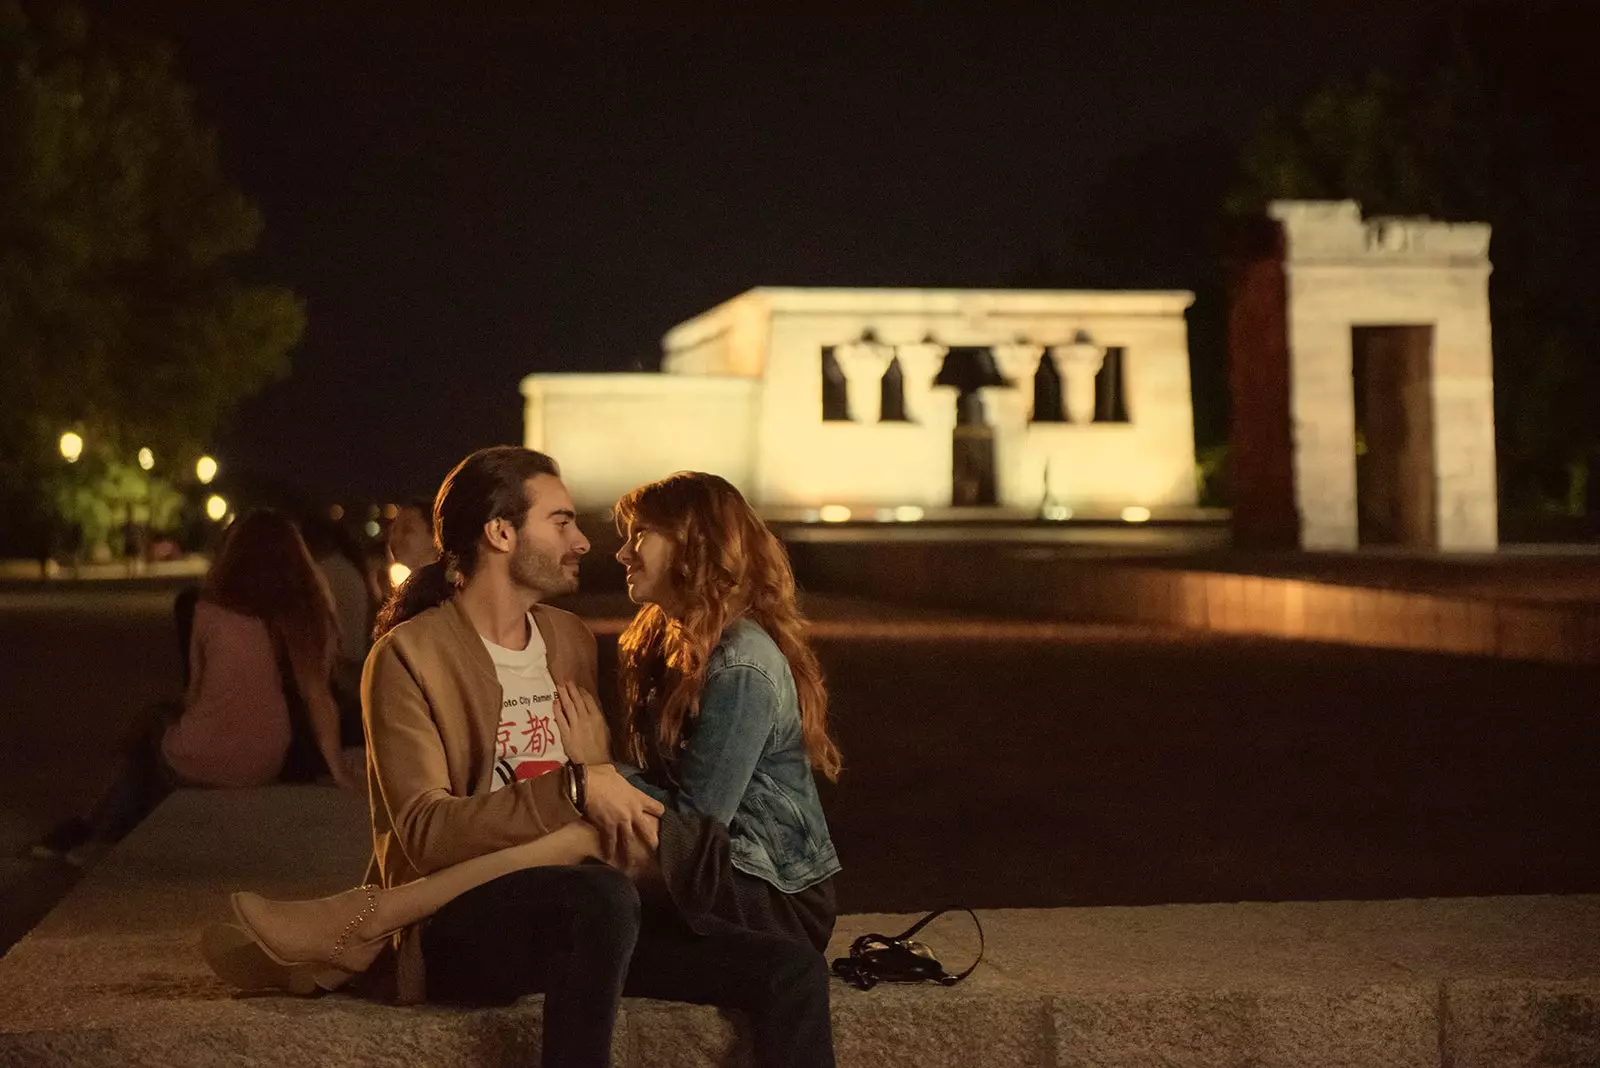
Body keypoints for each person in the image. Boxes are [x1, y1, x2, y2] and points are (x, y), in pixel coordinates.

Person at [202, 458, 841, 1068]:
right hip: (524, 902)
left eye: (635, 535)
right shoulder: (413, 655)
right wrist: (584, 782)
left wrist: (594, 776)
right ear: (502, 532)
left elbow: (678, 818)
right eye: (561, 522)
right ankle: (377, 925)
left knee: (766, 955)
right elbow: (437, 827)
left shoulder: (583, 642)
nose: (597, 546)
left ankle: (370, 919)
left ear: (695, 544)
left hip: (723, 880)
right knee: (597, 863)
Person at [33, 510, 358, 861]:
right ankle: (94, 831)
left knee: (150, 739)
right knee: (157, 733)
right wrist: (337, 768)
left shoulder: (208, 610)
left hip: (205, 758)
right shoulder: (301, 616)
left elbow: (195, 696)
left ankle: (97, 832)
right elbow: (318, 697)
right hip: (265, 760)